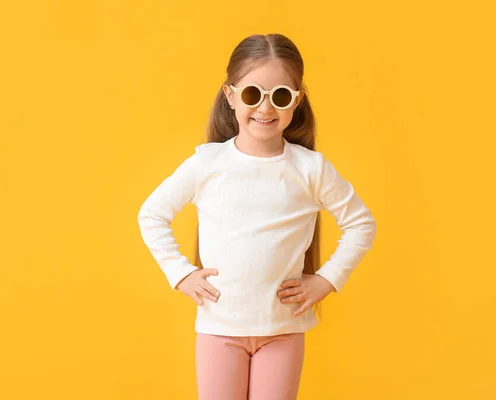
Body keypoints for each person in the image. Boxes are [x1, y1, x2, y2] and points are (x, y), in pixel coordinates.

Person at [137, 33, 377, 400]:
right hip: (219, 329)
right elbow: (152, 214)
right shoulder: (207, 164)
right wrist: (180, 273)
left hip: (282, 330)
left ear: (296, 101)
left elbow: (361, 224)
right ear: (230, 96)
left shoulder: (310, 169)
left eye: (279, 96)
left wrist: (327, 280)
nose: (265, 109)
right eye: (253, 94)